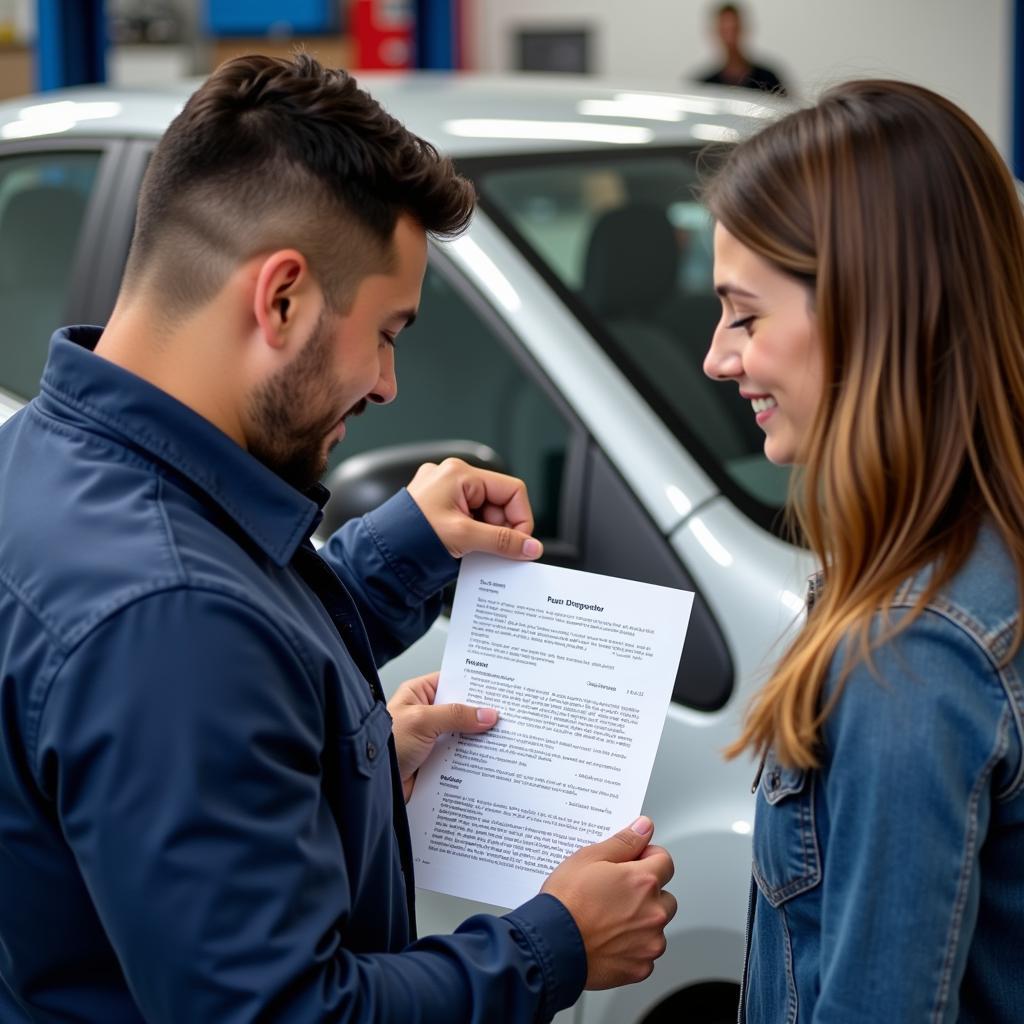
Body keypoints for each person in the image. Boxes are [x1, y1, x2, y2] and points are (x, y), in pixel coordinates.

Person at [0, 54, 677, 1023]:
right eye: (389, 331)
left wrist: (395, 579)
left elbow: (234, 648)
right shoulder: (169, 619)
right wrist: (552, 941)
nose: (389, 384)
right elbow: (289, 1012)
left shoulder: (42, 462)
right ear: (279, 299)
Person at [702, 79, 1024, 1021]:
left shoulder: (913, 652)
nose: (720, 356)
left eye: (746, 315)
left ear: (865, 313)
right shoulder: (963, 578)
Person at [697, 4, 785, 95]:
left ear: (742, 29)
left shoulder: (768, 79)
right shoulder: (705, 85)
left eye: (734, 30)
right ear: (717, 33)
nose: (730, 38)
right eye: (725, 31)